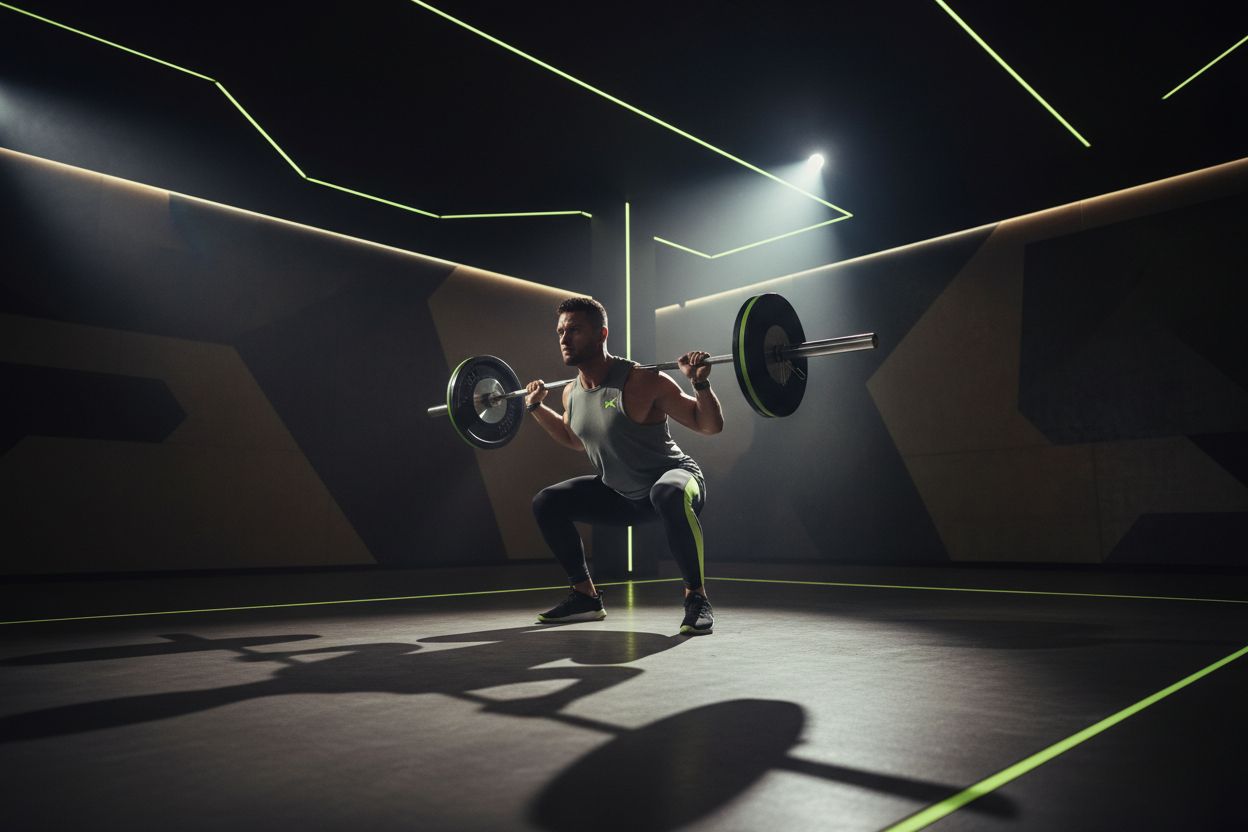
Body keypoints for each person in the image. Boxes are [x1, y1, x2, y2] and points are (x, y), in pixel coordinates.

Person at [525, 296, 724, 635]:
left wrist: (700, 383)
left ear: (602, 334)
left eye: (574, 330)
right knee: (547, 502)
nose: (564, 338)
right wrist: (537, 409)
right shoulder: (570, 393)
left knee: (666, 492)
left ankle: (697, 598)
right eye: (560, 331)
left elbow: (708, 425)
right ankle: (585, 596)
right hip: (623, 495)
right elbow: (577, 439)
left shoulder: (643, 380)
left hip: (677, 481)